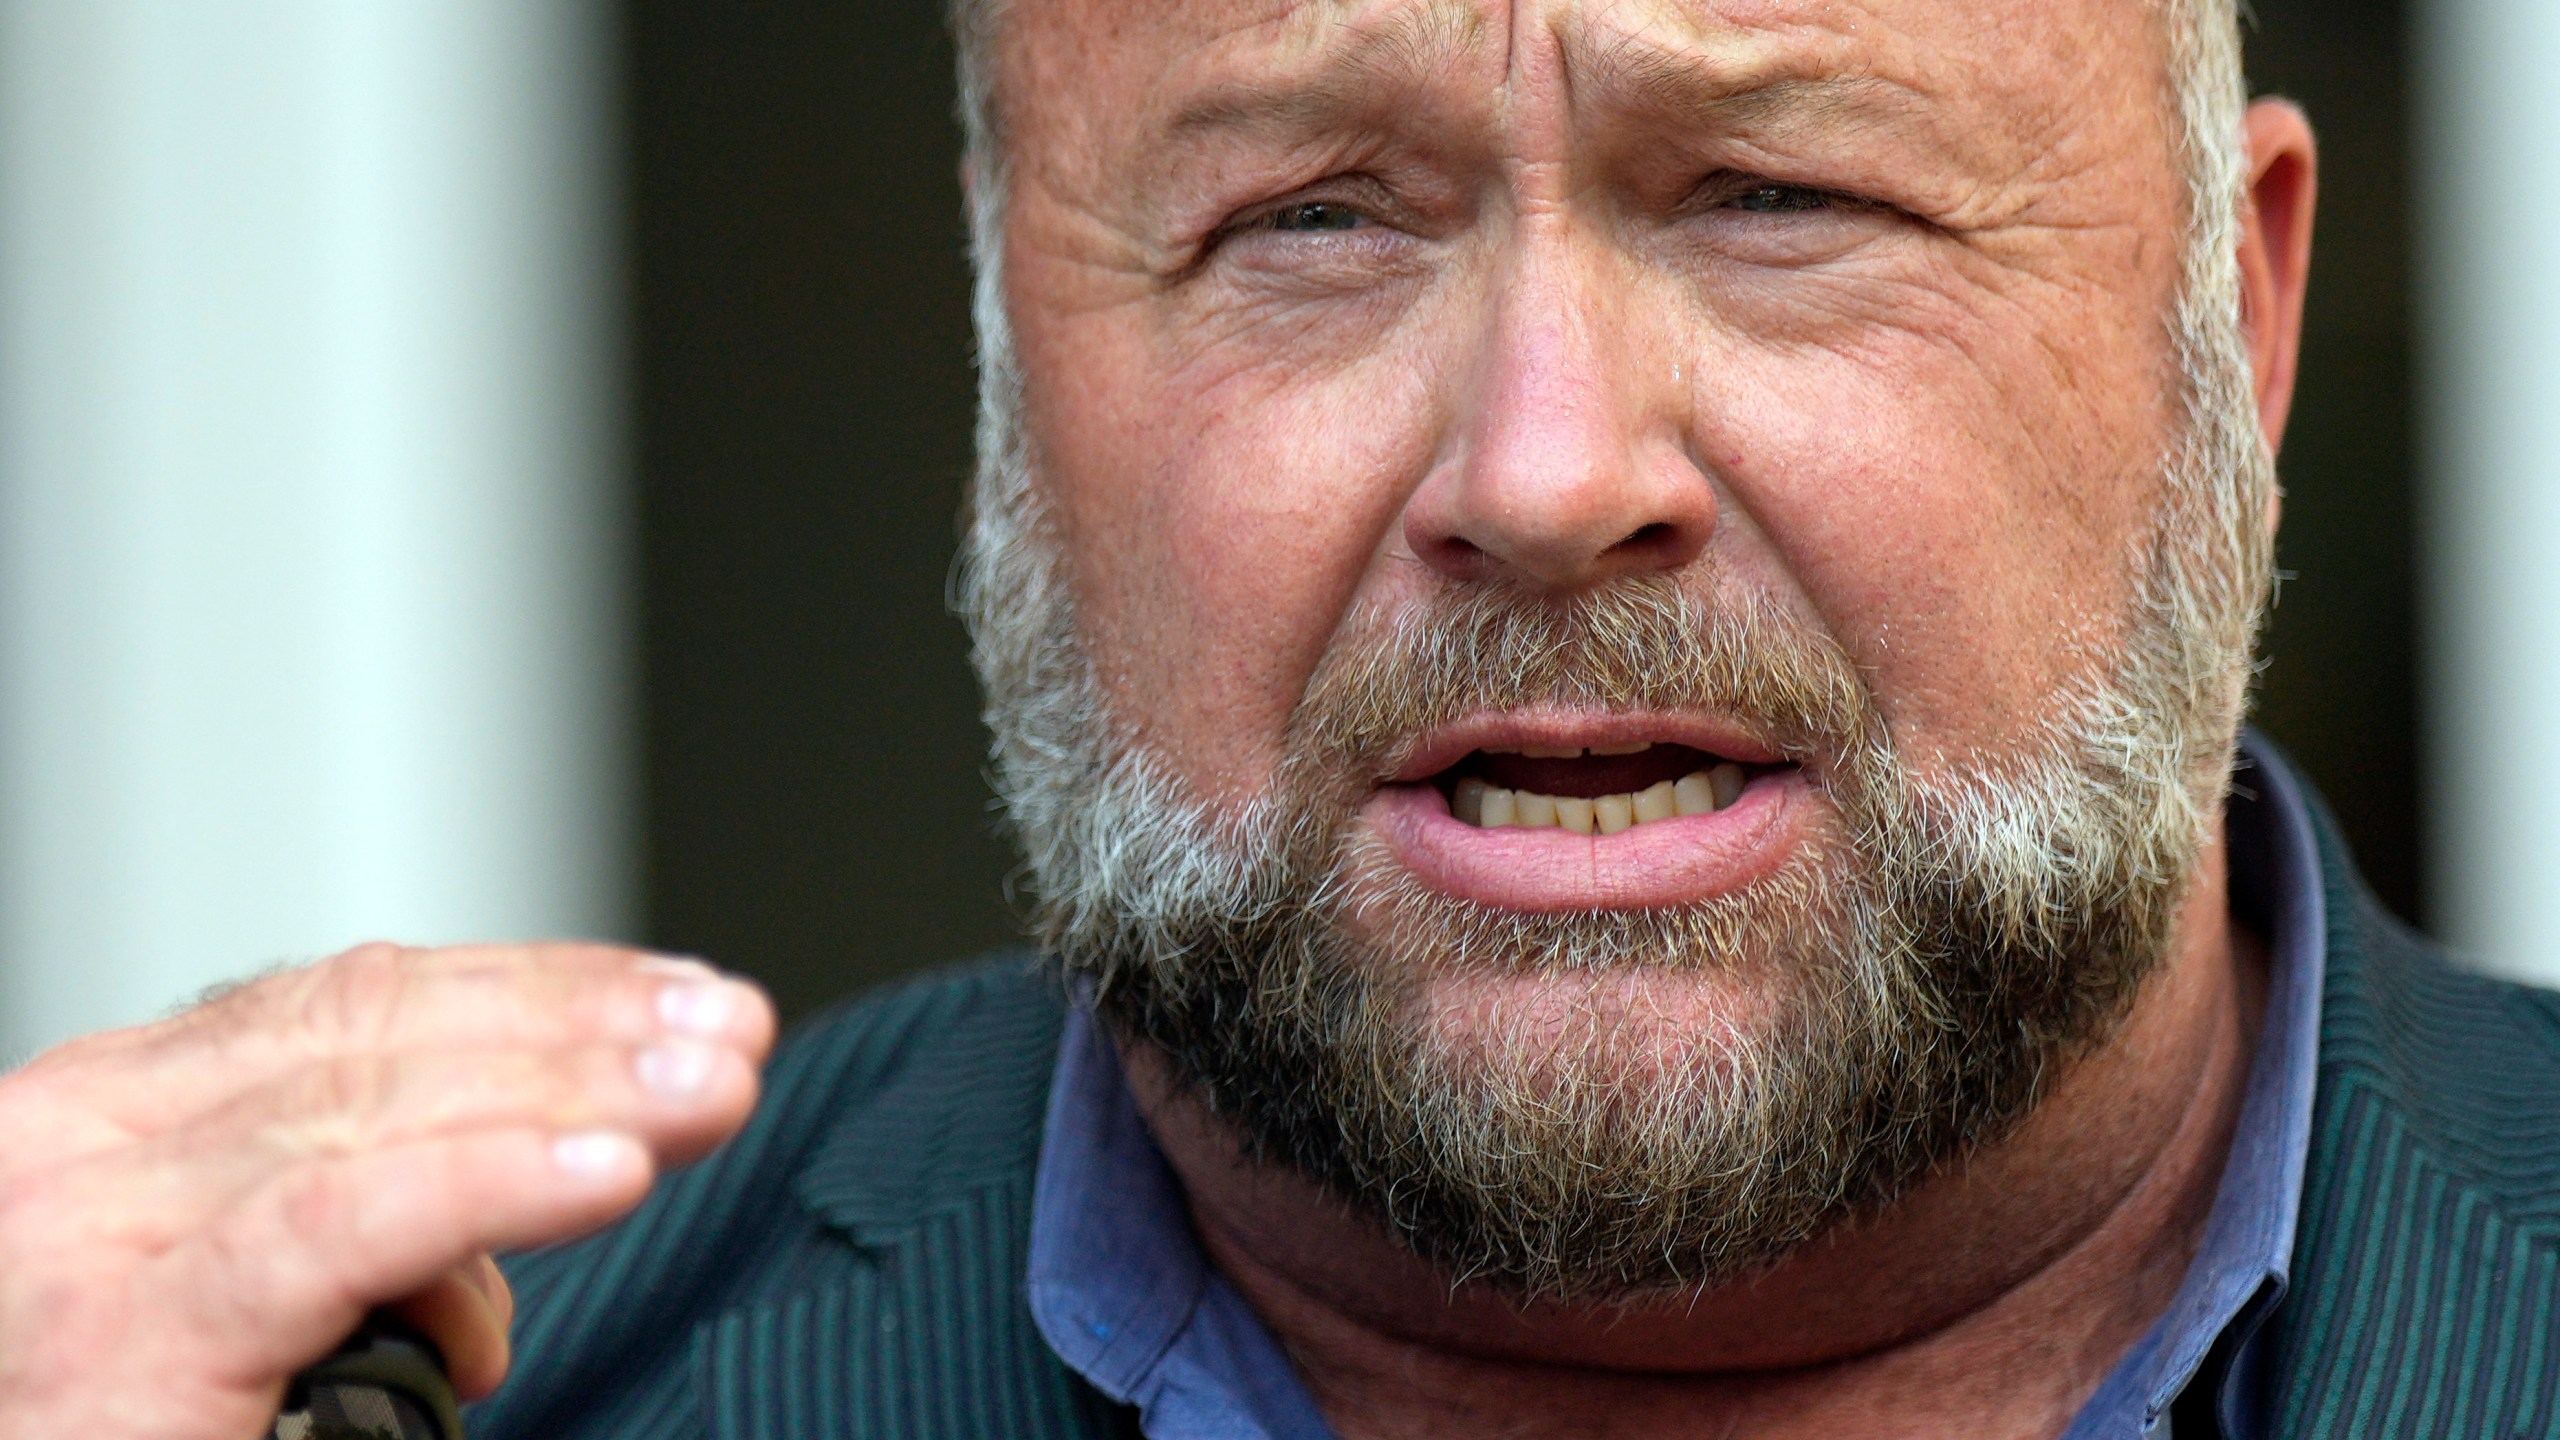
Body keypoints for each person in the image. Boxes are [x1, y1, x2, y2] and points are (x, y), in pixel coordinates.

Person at [4, 0, 2555, 1435]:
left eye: (1779, 201)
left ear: (2231, 330)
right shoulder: (436, 1408)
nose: (1547, 471)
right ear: (1009, 397)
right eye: (1304, 223)